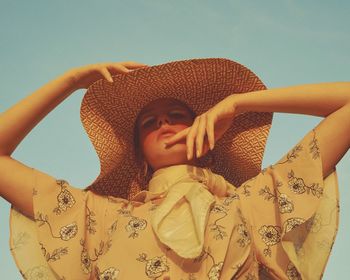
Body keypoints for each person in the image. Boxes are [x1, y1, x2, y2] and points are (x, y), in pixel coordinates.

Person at [0, 58, 349, 280]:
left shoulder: (255, 203)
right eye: (149, 123)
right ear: (139, 154)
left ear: (207, 132)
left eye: (178, 116)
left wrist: (237, 104)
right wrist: (71, 80)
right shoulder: (100, 217)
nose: (164, 121)